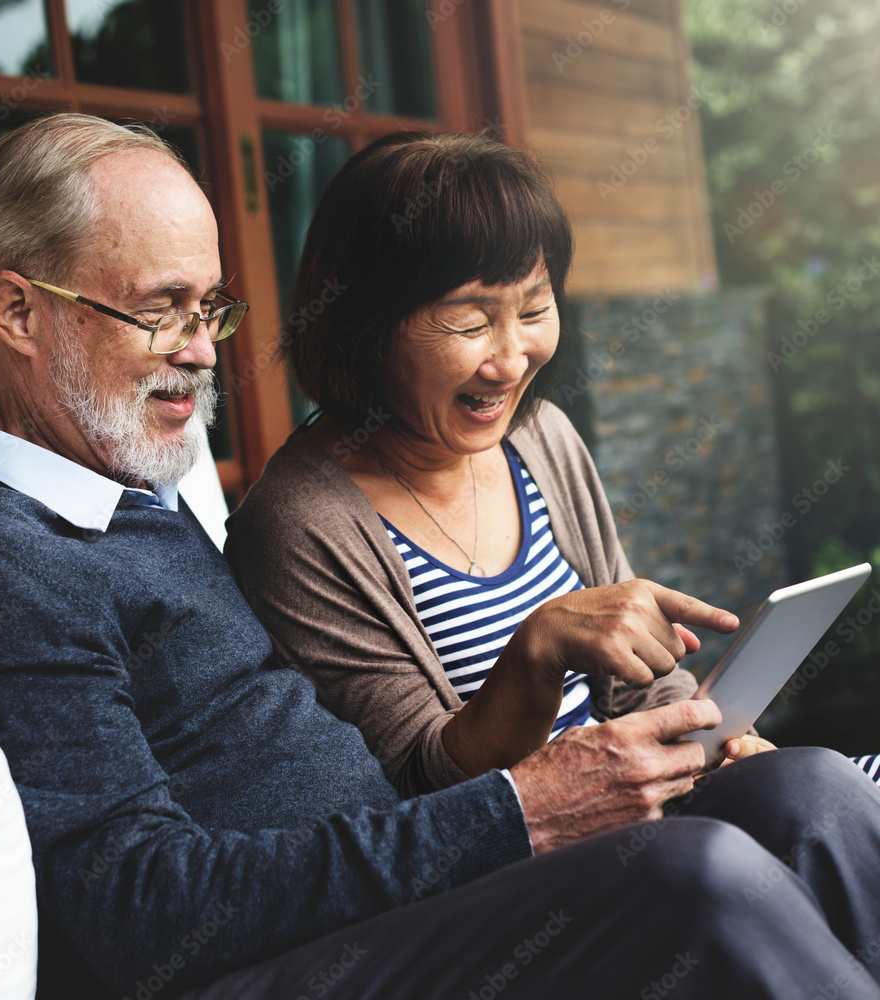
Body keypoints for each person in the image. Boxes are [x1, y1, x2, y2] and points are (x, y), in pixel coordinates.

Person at [0, 114, 880, 1000]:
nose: (200, 349)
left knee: (807, 791)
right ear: (18, 313)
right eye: (161, 308)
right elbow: (145, 912)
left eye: (212, 309)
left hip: (395, 892)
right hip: (277, 964)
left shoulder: (127, 492)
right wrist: (514, 812)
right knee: (688, 874)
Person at [225, 130, 880, 793]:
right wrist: (536, 652)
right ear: (364, 326)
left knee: (835, 786)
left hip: (657, 811)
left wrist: (719, 743)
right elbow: (422, 796)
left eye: (534, 309)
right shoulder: (298, 524)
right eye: (470, 324)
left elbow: (635, 696)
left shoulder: (542, 438)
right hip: (551, 871)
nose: (512, 362)